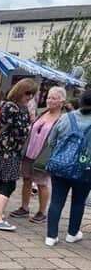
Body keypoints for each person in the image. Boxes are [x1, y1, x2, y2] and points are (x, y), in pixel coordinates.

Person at [0, 78, 36, 231]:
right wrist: (29, 125)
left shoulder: (6, 104)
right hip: (9, 151)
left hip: (0, 149)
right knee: (9, 183)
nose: (29, 97)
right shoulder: (14, 108)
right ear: (20, 91)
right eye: (28, 93)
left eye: (32, 94)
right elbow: (19, 132)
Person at [9, 86, 65, 224]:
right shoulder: (42, 112)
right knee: (26, 179)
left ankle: (41, 212)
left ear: (61, 101)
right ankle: (24, 207)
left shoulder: (63, 119)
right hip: (29, 152)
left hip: (44, 155)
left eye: (53, 98)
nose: (49, 100)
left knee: (42, 183)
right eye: (48, 97)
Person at [45, 89, 91, 246]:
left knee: (56, 201)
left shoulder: (65, 118)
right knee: (78, 201)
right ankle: (72, 234)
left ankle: (51, 236)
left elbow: (51, 141)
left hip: (60, 166)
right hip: (85, 170)